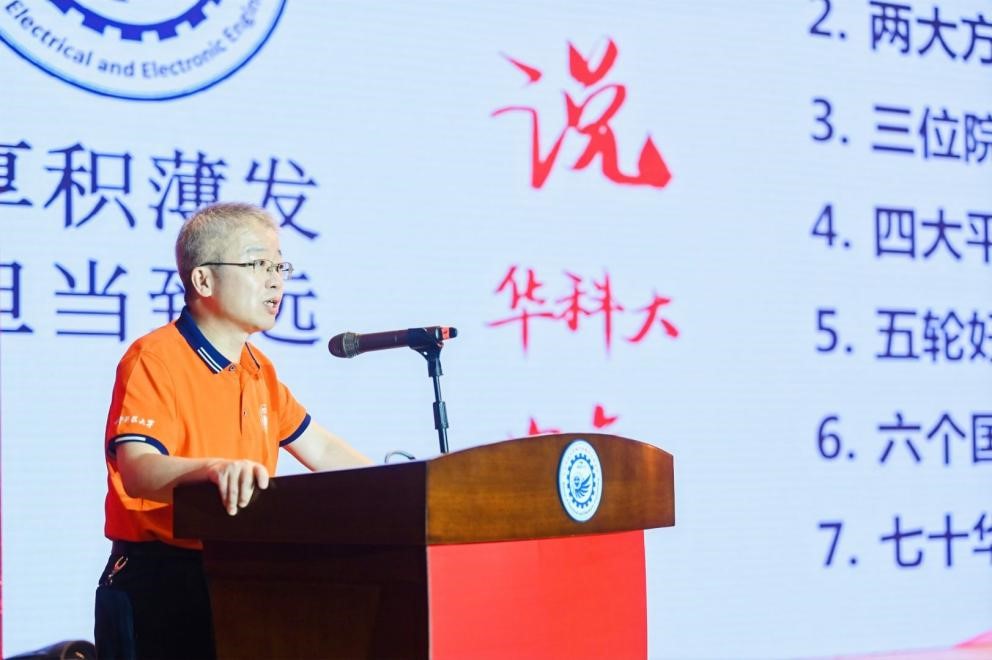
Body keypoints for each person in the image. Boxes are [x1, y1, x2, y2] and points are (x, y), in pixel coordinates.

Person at [94, 202, 372, 659]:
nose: (276, 280)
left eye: (279, 266)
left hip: (239, 574)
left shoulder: (259, 369)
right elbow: (138, 469)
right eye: (257, 264)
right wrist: (213, 470)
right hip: (160, 581)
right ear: (203, 280)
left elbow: (320, 448)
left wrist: (405, 488)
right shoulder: (156, 358)